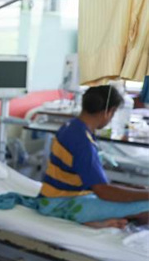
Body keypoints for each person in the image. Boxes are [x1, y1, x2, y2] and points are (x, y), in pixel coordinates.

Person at [37, 85, 149, 227]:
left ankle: (104, 222)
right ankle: (114, 228)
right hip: (61, 204)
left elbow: (94, 183)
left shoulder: (71, 126)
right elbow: (103, 191)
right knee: (146, 206)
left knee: (139, 192)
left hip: (52, 197)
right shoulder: (83, 142)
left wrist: (137, 190)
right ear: (109, 112)